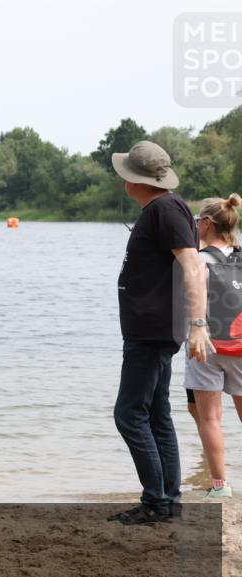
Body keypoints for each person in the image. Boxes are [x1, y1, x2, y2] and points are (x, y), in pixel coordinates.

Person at [108, 141, 211, 525]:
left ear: (132, 180)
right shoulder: (164, 209)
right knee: (156, 415)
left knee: (129, 414)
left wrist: (198, 324)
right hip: (153, 328)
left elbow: (193, 267)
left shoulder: (165, 209)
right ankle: (168, 499)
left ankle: (156, 502)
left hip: (151, 331)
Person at [185, 193, 242, 499]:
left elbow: (187, 305)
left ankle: (220, 486)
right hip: (241, 345)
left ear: (206, 224)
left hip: (206, 346)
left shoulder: (198, 261)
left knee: (210, 418)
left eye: (196, 221)